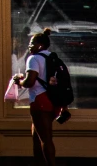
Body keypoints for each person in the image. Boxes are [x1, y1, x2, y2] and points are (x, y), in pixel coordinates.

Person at [14, 28, 58, 166]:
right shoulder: (52, 57)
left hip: (39, 100)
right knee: (37, 136)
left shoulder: (33, 58)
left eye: (32, 43)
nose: (29, 46)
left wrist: (19, 81)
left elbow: (30, 82)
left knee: (45, 138)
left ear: (40, 45)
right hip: (51, 99)